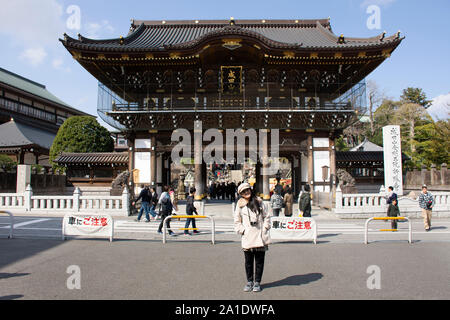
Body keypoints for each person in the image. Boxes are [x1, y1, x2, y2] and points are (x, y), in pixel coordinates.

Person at [234, 183, 271, 293]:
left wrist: (265, 228)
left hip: (259, 234)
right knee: (248, 261)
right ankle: (249, 281)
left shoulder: (259, 201)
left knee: (259, 261)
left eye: (248, 190)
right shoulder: (240, 205)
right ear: (241, 194)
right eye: (244, 192)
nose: (247, 192)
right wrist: (242, 230)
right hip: (247, 235)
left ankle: (257, 282)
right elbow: (237, 220)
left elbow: (267, 216)